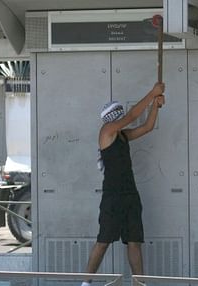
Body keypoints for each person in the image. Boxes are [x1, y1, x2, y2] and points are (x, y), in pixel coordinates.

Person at [81, 82, 165, 286]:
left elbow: (147, 127)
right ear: (113, 117)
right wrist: (152, 93)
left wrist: (156, 105)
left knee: (134, 242)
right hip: (113, 197)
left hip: (130, 195)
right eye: (120, 115)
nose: (123, 117)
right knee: (103, 241)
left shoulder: (123, 136)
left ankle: (139, 283)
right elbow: (132, 117)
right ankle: (85, 283)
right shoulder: (107, 131)